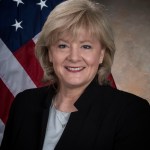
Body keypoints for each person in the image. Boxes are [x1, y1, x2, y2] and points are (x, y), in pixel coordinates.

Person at [0, 0, 150, 150]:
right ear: (50, 53)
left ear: (101, 54)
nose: (74, 57)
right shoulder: (24, 103)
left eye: (86, 46)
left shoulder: (132, 113)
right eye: (63, 45)